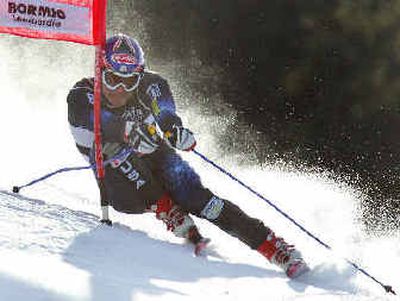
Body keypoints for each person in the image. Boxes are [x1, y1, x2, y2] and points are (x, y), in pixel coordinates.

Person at [67, 33, 309, 278]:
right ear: (99, 72)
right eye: (112, 79)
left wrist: (175, 131)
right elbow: (94, 119)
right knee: (115, 151)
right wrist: (126, 130)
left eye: (128, 82)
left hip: (157, 156)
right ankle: (164, 206)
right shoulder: (81, 94)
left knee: (202, 200)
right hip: (119, 185)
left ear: (138, 78)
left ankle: (272, 246)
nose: (119, 90)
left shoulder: (151, 84)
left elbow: (165, 112)